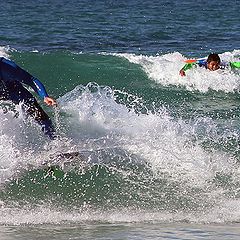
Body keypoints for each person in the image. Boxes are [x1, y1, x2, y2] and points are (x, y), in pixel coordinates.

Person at [0, 57, 57, 139]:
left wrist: (45, 96)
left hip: (14, 91)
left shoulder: (7, 68)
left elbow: (31, 79)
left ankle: (54, 140)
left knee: (40, 115)